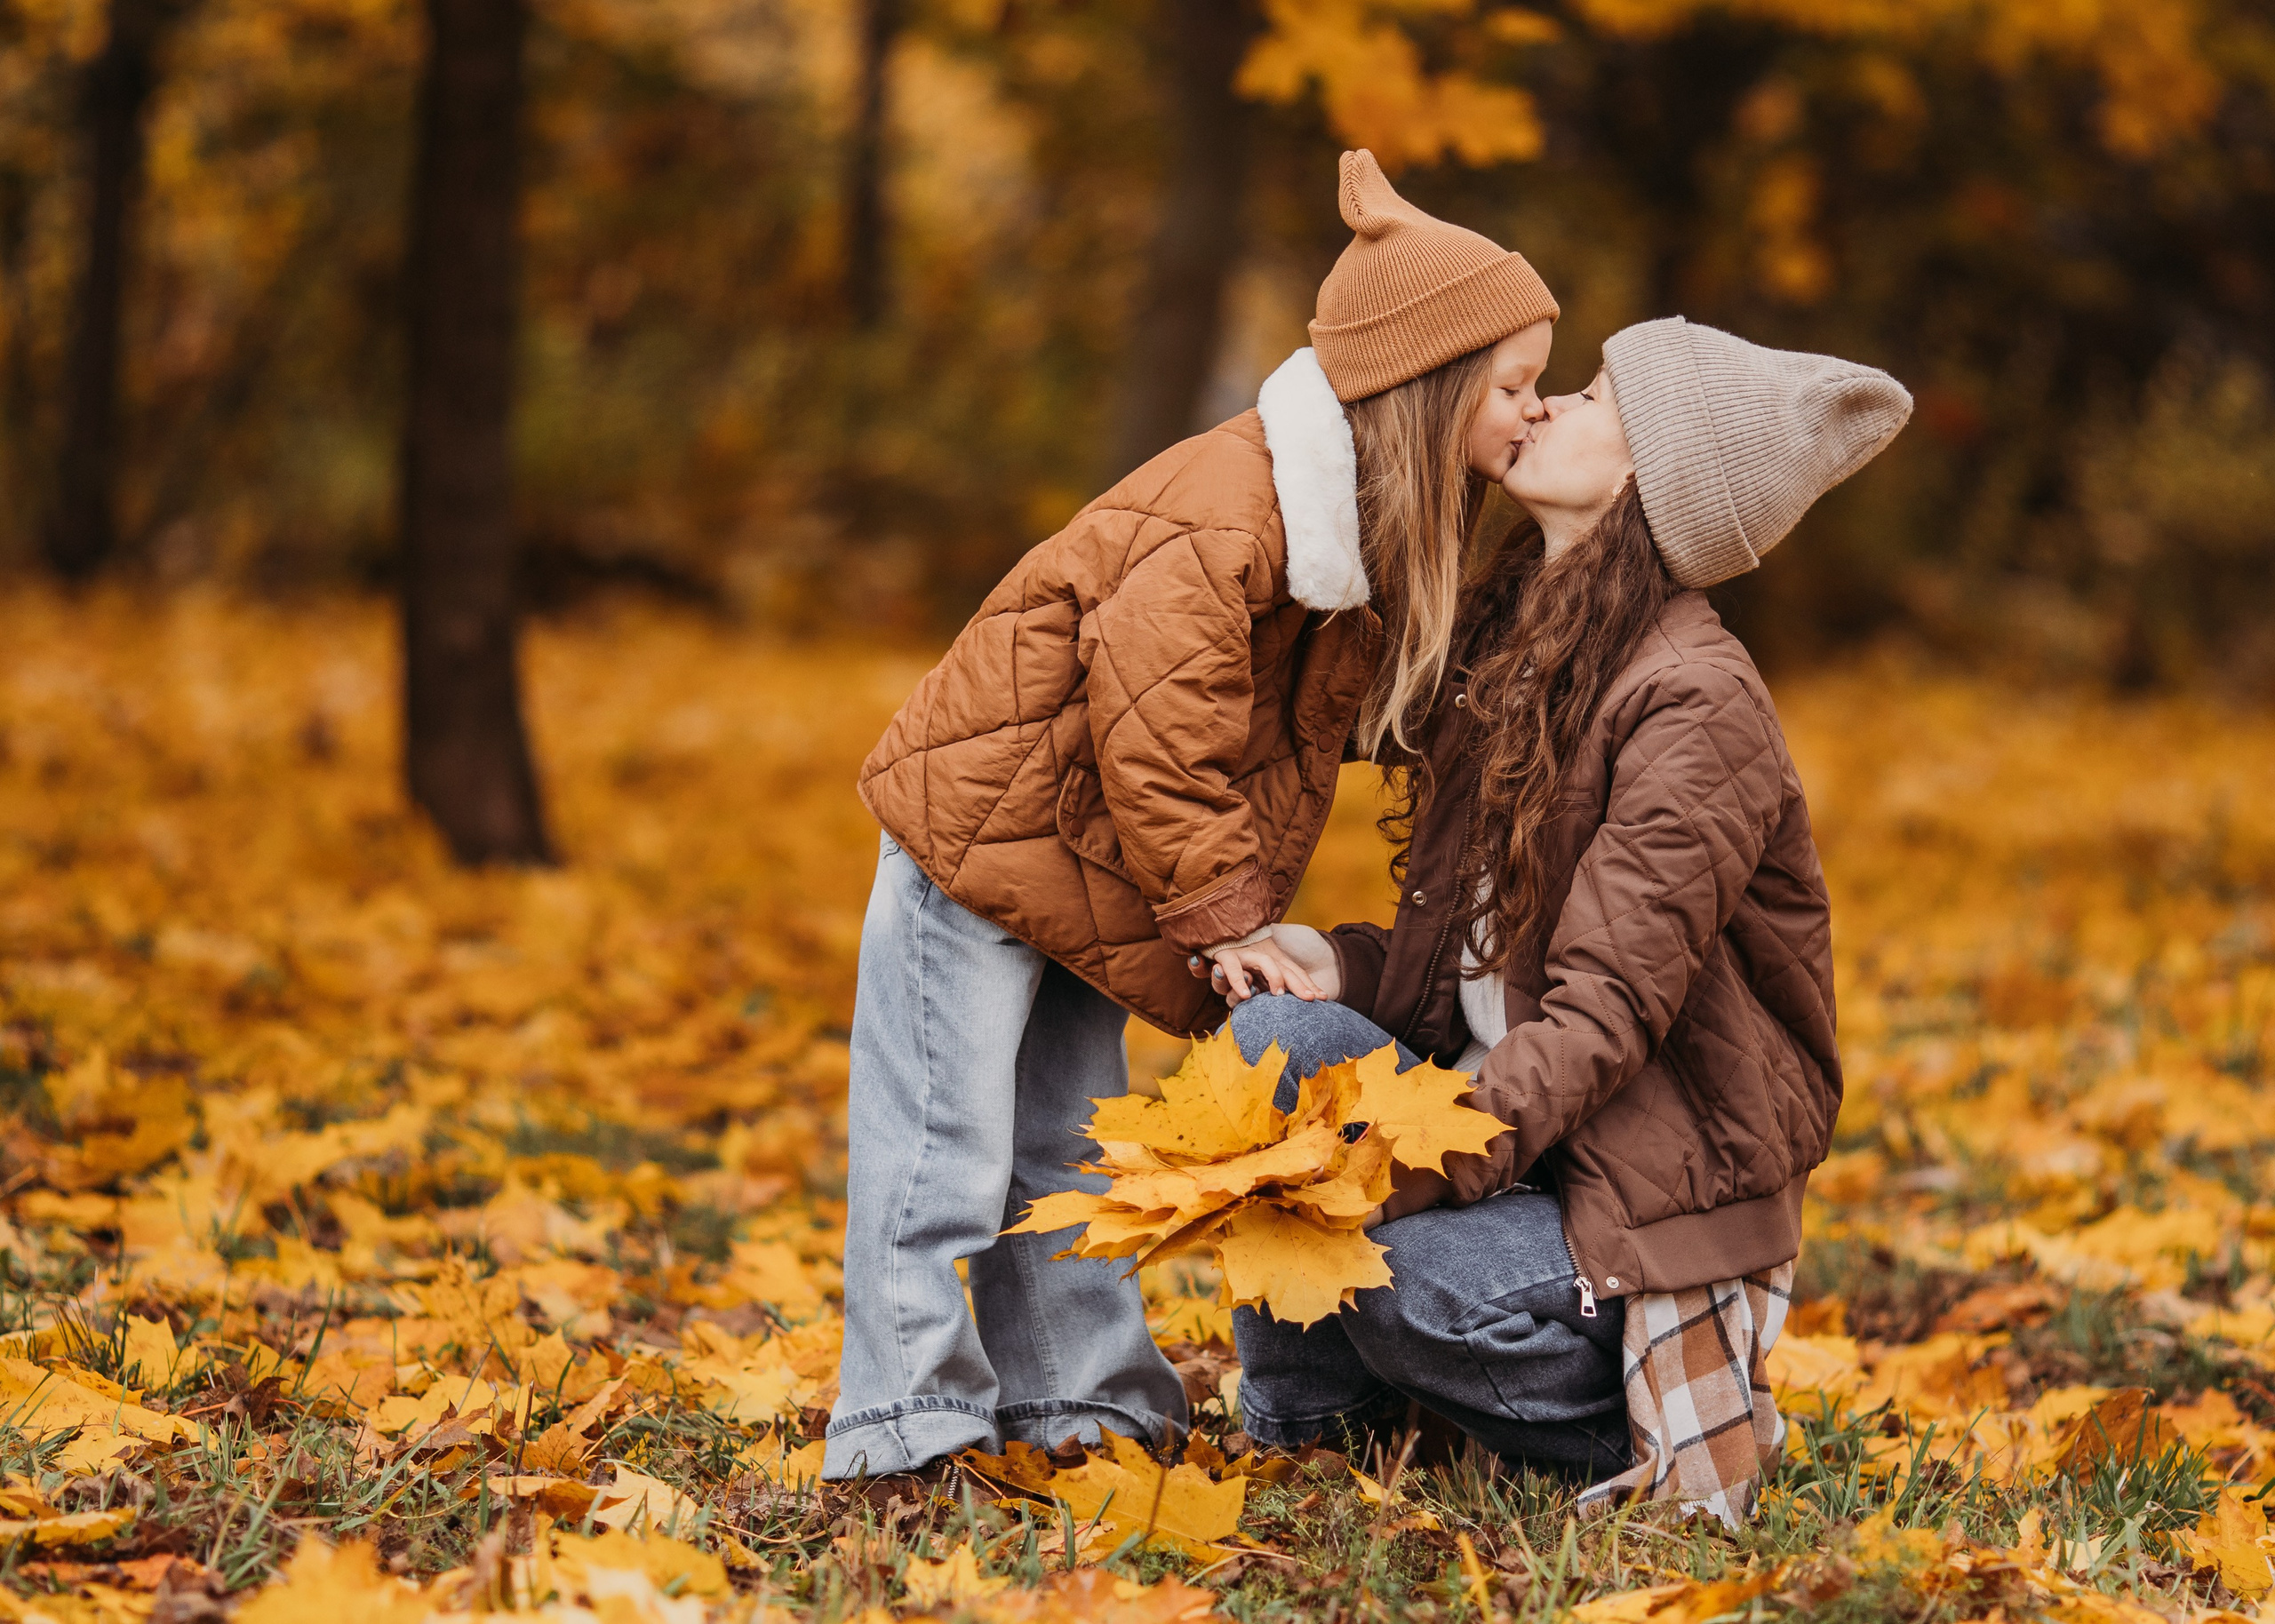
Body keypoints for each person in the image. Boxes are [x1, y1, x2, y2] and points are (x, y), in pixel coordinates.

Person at [825, 151, 1566, 1483]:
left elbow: (1326, 714)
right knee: (942, 1143)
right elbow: (1158, 730)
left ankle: (1081, 1403)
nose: (1532, 412)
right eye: (1512, 386)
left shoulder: (1345, 527)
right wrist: (1226, 918)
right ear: (1427, 385)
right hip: (980, 840)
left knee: (1065, 1144)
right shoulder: (1229, 509)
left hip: (1086, 860)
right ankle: (903, 1423)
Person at [1213, 316, 1912, 1522]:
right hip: (1513, 1137)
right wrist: (1336, 963)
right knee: (1275, 1047)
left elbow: (1597, 1020)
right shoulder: (1522, 646)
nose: (1546, 406)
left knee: (1397, 1271)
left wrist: (1386, 1173)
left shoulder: (1696, 704)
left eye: (1592, 398)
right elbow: (1482, 971)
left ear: (1651, 476)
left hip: (1624, 1197)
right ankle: (1315, 1439)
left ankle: (1617, 1418)